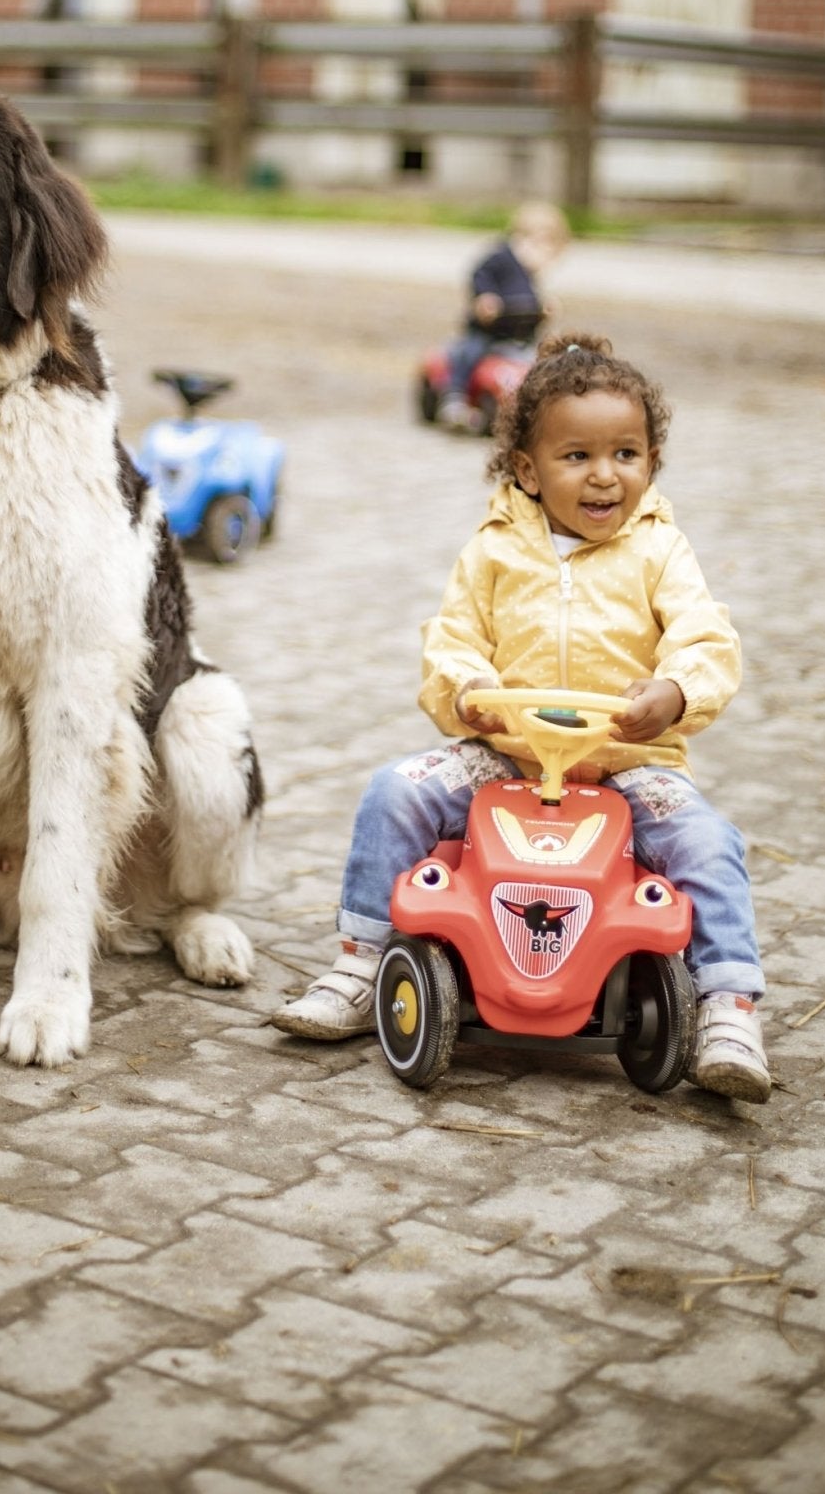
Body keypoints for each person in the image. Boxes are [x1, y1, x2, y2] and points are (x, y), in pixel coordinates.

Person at [272, 333, 770, 1103]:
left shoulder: (661, 553)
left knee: (708, 840)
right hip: (505, 753)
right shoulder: (495, 551)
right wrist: (467, 689)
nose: (606, 475)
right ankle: (361, 961)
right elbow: (454, 639)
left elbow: (707, 639)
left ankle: (727, 1006)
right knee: (396, 789)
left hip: (626, 762)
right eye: (578, 457)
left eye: (627, 454)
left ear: (652, 461)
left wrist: (673, 691)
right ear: (529, 470)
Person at [439, 201, 569, 432]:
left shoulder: (529, 275)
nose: (543, 255)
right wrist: (485, 298)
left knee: (540, 358)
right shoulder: (499, 258)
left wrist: (545, 308)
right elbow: (479, 275)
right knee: (469, 353)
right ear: (520, 238)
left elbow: (533, 301)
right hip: (488, 332)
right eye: (538, 244)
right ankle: (454, 398)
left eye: (549, 248)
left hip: (517, 336)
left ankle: (539, 404)